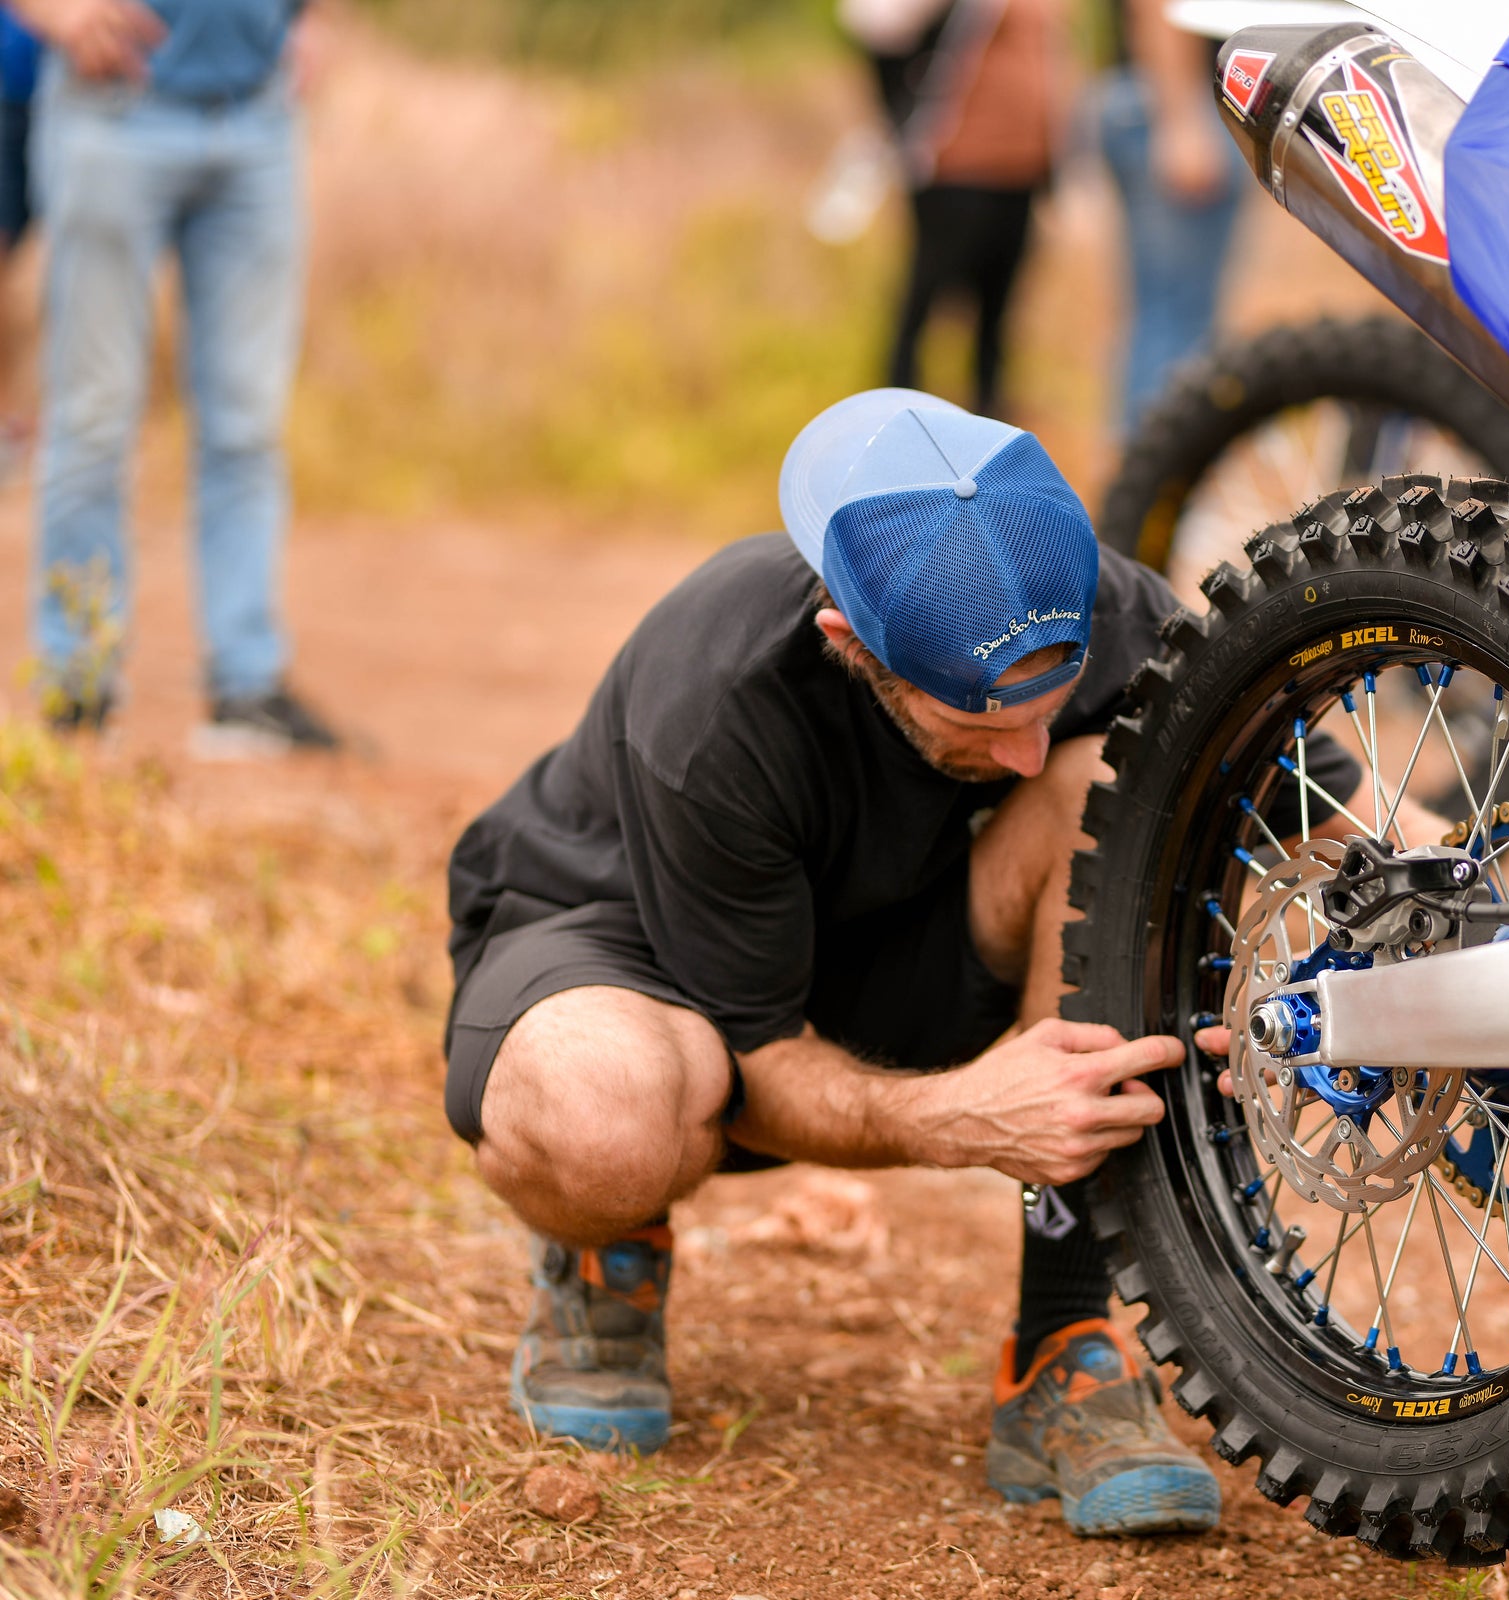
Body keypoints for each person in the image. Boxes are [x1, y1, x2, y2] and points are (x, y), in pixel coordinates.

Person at [441, 390, 1360, 1533]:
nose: (1026, 750)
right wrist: (960, 1117)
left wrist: (1490, 915)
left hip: (885, 946)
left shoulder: (1096, 603)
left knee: (1103, 790)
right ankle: (605, 1251)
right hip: (633, 959)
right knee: (609, 1116)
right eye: (983, 722)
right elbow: (761, 1058)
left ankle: (1063, 1342)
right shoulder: (718, 697)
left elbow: (1329, 814)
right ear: (850, 641)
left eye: (1050, 701)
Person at [13, 0, 336, 752]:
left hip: (257, 117)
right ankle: (76, 681)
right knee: (93, 416)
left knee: (248, 423)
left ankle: (246, 683)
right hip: (116, 110)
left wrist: (315, 16)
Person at [856, 0, 1068, 417]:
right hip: (956, 164)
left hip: (1021, 169)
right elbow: (876, 21)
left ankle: (990, 415)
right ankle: (895, 408)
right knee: (927, 291)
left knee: (999, 302)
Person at [1095, 0, 1241, 433]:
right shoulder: (1179, 114)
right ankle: (1155, 468)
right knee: (1177, 320)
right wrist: (1181, 120)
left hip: (1161, 98)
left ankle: (1147, 462)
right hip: (1175, 101)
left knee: (1169, 314)